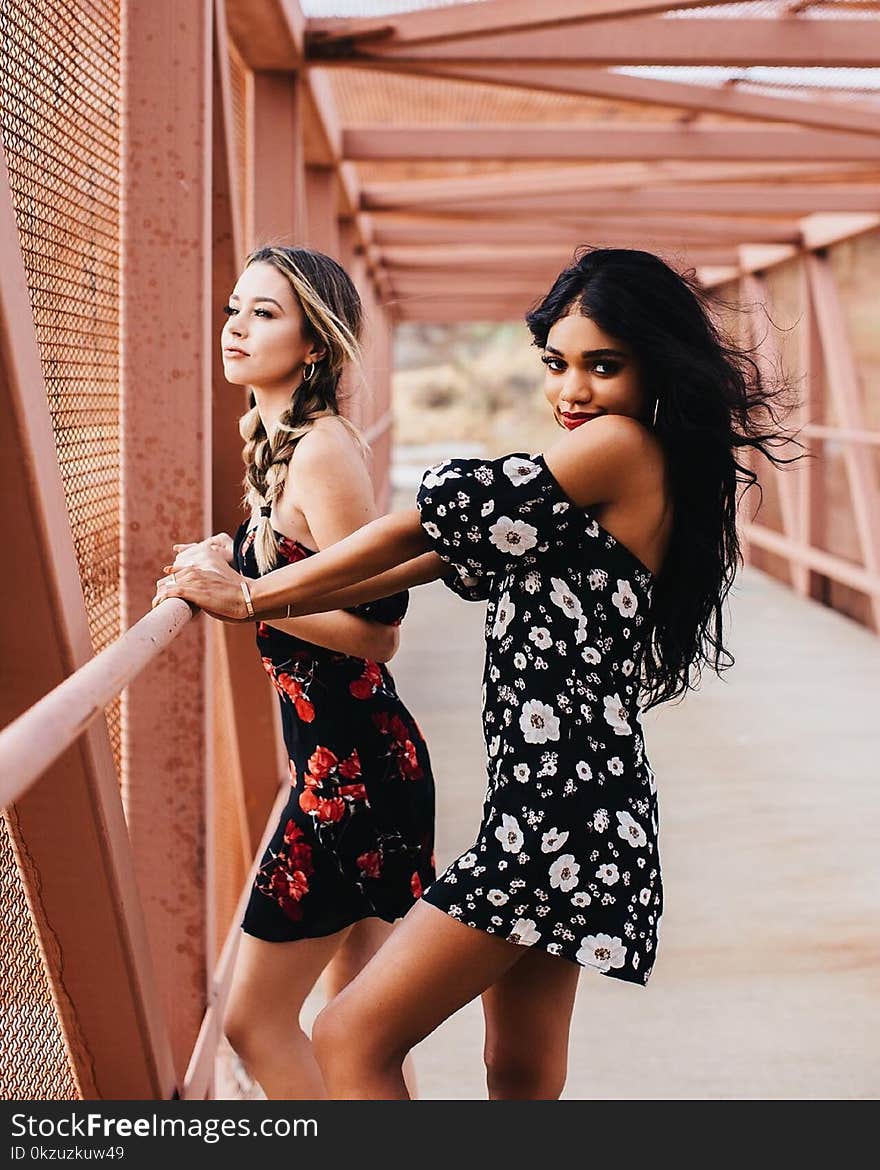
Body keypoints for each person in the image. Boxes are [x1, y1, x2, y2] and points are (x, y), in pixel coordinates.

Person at [154, 247, 793, 1099]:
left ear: (656, 364)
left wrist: (253, 598)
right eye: (556, 365)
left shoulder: (619, 446)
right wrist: (266, 583)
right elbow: (418, 562)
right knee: (518, 1073)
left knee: (350, 1037)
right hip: (576, 810)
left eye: (605, 365)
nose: (573, 391)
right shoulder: (626, 462)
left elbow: (417, 526)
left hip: (555, 822)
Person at [170, 244, 435, 1099]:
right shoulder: (275, 443)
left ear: (315, 344)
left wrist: (246, 595)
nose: (237, 328)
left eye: (265, 313)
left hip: (354, 773)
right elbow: (294, 571)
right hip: (338, 763)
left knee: (255, 1022)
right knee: (361, 1036)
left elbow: (380, 629)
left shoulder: (321, 450)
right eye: (233, 309)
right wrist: (233, 566)